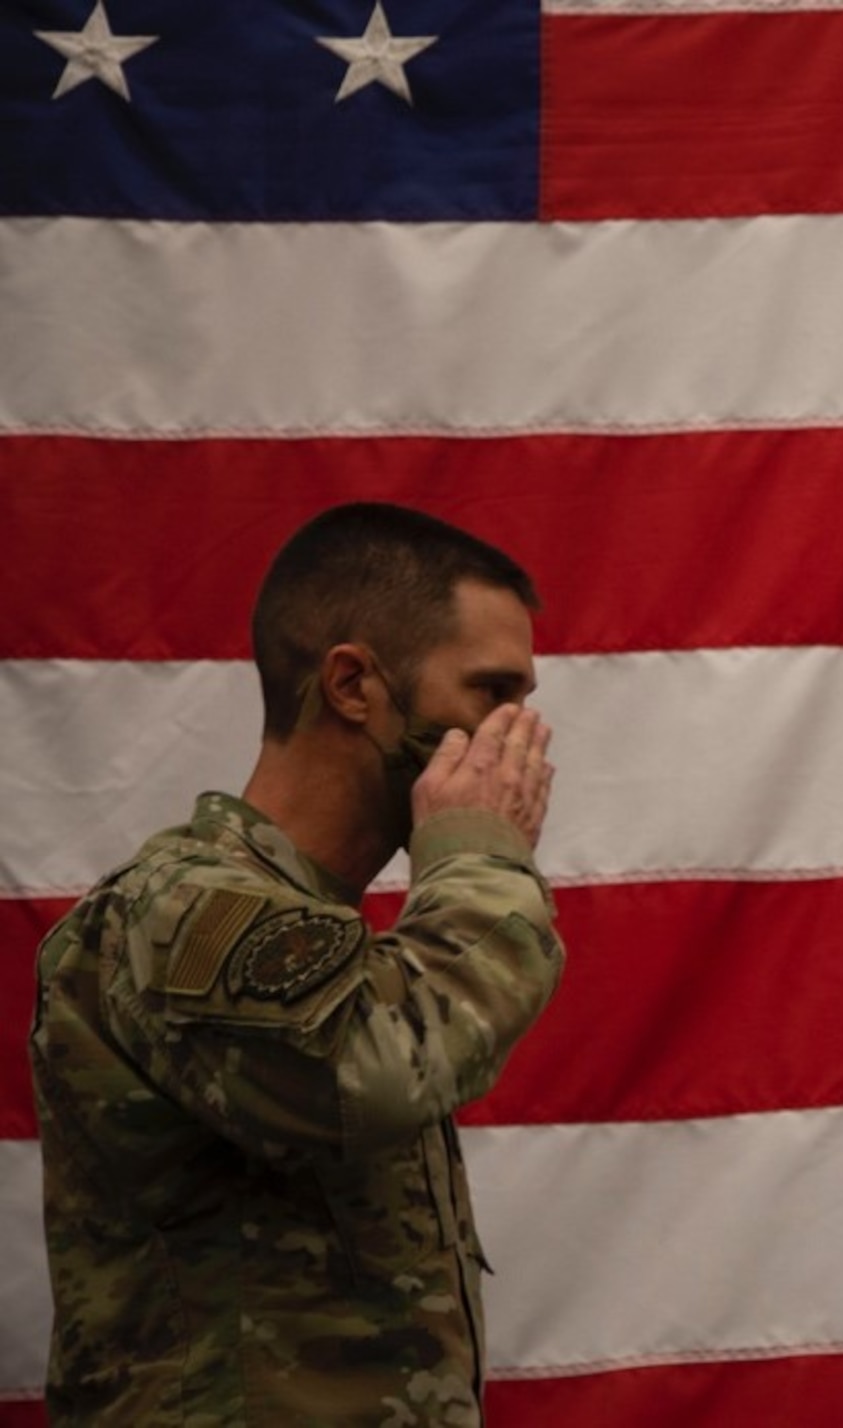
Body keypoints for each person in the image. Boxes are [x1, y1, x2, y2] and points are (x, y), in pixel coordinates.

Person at [30, 503, 565, 1425]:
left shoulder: (324, 939)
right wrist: (481, 858)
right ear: (354, 684)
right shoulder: (182, 907)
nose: (517, 739)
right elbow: (367, 1071)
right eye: (490, 694)